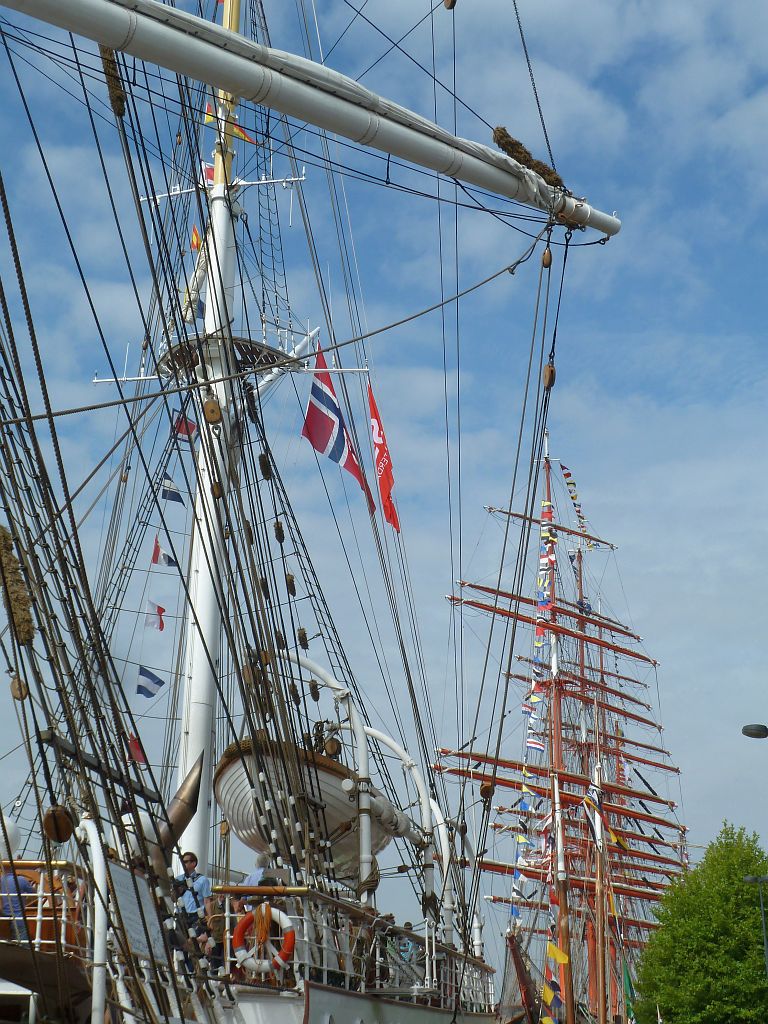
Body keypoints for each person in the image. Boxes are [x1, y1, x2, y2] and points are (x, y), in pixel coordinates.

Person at [175, 851, 213, 935]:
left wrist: (210, 918)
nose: (183, 863)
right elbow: (173, 899)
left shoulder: (203, 880)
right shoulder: (178, 879)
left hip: (195, 917)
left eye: (185, 861)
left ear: (193, 863)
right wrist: (176, 892)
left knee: (195, 942)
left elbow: (207, 901)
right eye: (182, 861)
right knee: (181, 943)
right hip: (181, 915)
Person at [0, 869, 34, 941]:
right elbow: (34, 894)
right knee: (24, 947)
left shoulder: (1, 880)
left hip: (3, 920)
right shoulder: (21, 880)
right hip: (18, 919)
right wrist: (26, 899)